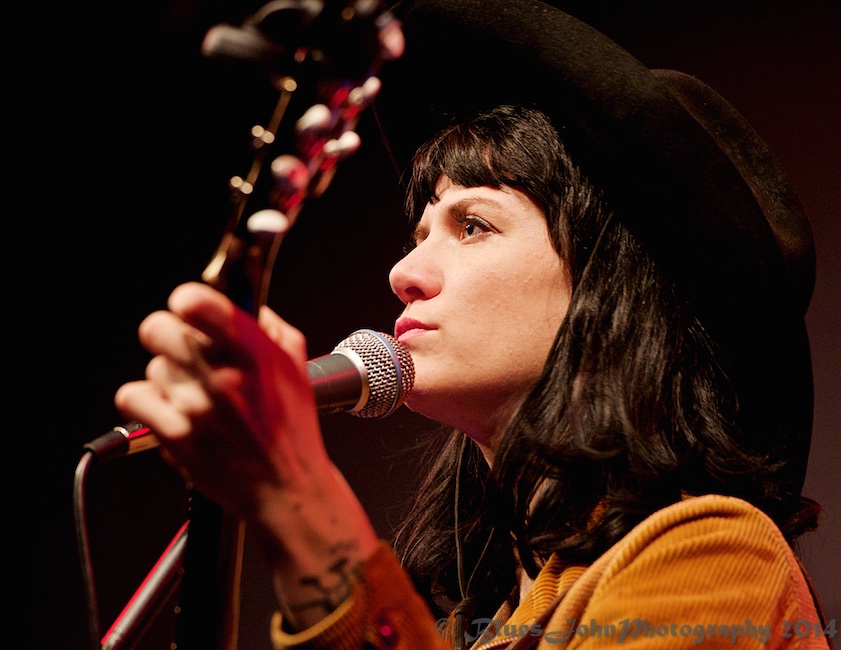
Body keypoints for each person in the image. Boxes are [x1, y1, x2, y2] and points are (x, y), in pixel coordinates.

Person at [113, 1, 832, 648]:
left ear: (608, 288)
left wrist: (294, 494)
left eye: (473, 224)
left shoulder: (712, 556)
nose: (403, 274)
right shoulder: (472, 623)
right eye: (417, 233)